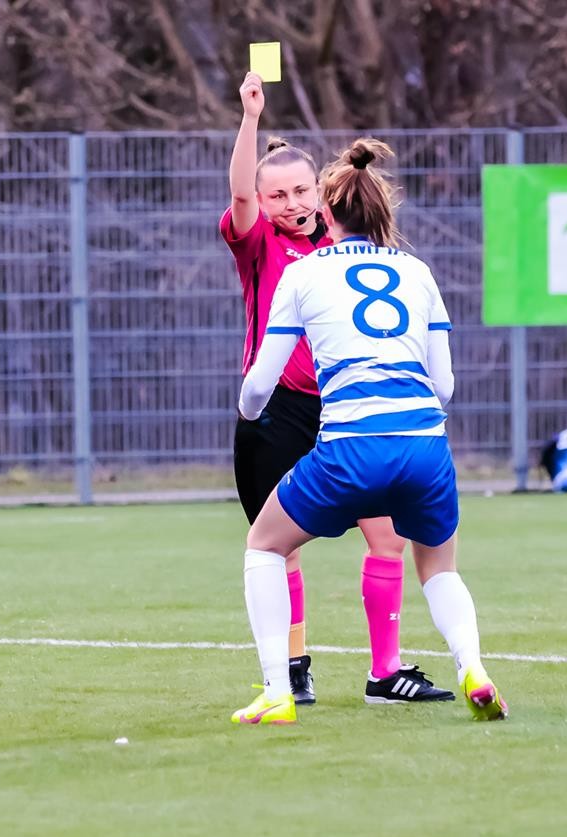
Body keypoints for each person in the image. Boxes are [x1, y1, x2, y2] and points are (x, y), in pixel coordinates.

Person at [230, 137, 508, 726]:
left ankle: (279, 690)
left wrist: (250, 413)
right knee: (440, 568)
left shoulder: (304, 273)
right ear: (382, 211)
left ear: (325, 213)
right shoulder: (418, 271)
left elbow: (260, 384)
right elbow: (445, 384)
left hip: (351, 446)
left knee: (265, 546)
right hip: (426, 447)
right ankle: (474, 668)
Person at [221, 73, 452, 705]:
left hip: (348, 412)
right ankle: (293, 668)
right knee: (279, 548)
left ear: (322, 198)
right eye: (276, 195)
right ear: (260, 201)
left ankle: (386, 671)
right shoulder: (258, 242)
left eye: (301, 191)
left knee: (388, 537)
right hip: (276, 415)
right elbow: (239, 191)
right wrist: (250, 118)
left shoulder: (342, 249)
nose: (289, 203)